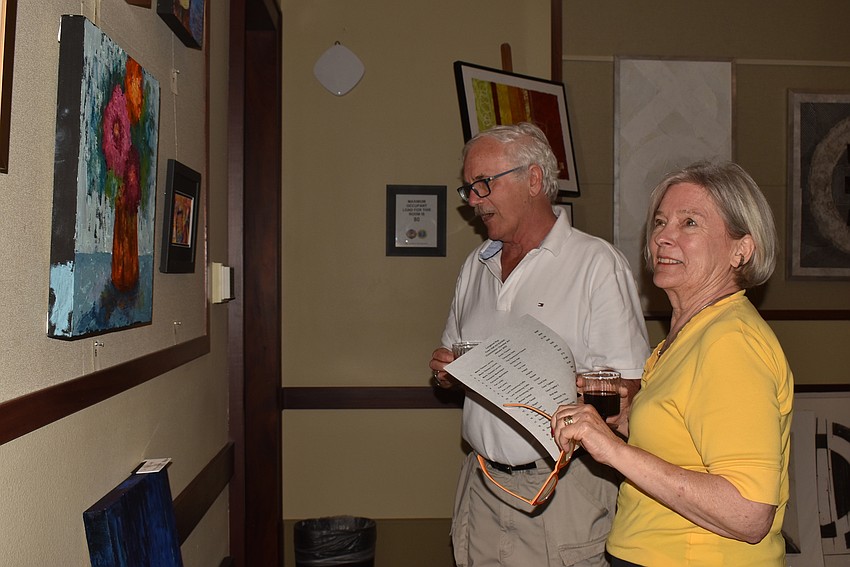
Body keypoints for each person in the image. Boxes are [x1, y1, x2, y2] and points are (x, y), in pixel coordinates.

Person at [551, 160, 794, 566]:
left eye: (690, 223)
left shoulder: (731, 342)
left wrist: (612, 450)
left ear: (742, 250)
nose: (663, 236)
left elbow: (748, 513)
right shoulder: (688, 335)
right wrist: (627, 419)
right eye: (660, 222)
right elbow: (685, 444)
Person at [430, 122, 650, 567]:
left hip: (563, 490)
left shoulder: (596, 264)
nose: (473, 200)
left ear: (533, 179)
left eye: (483, 184)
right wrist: (447, 373)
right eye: (468, 188)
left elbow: (630, 388)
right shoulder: (475, 266)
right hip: (481, 483)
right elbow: (455, 356)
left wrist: (561, 386)